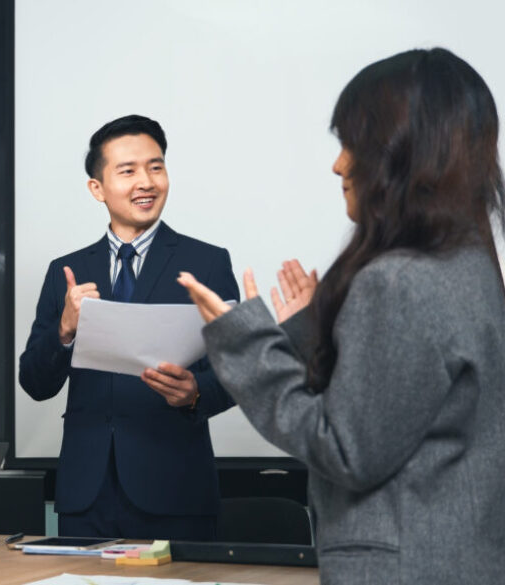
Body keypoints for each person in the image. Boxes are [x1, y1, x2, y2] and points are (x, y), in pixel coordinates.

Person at [179, 48, 505, 584]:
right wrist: (310, 334)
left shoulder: (399, 280)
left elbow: (347, 449)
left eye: (353, 144)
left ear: (400, 154)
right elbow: (402, 407)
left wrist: (245, 340)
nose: (338, 164)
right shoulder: (471, 265)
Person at [19, 115, 239, 540]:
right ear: (96, 188)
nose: (147, 182)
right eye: (128, 171)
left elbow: (240, 372)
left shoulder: (208, 263)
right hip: (86, 495)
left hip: (176, 490)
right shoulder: (66, 271)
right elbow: (34, 382)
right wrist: (63, 332)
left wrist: (196, 393)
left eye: (156, 167)